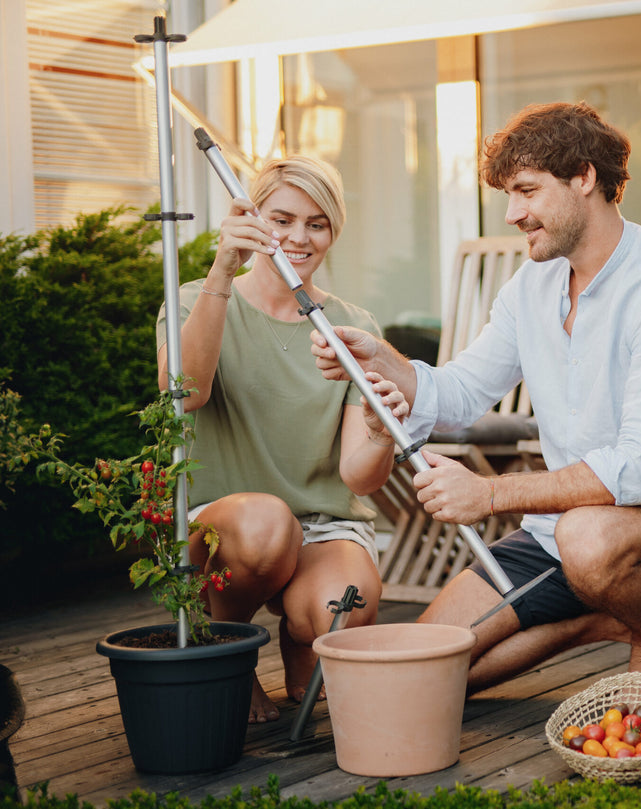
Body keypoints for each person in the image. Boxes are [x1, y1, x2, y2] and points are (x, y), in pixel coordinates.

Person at [311, 101, 641, 693]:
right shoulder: (532, 285)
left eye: (527, 191)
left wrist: (488, 493)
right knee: (416, 679)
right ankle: (596, 621)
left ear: (585, 178)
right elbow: (459, 393)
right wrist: (382, 359)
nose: (513, 214)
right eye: (510, 195)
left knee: (588, 535)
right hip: (555, 532)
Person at [155, 155, 407, 722]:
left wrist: (379, 432)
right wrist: (223, 269)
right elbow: (185, 395)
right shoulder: (196, 297)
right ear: (252, 219)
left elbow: (357, 476)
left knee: (346, 609)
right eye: (283, 219)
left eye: (317, 223)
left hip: (321, 526)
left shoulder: (351, 326)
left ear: (332, 232)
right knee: (269, 525)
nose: (299, 237)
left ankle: (300, 639)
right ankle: (227, 649)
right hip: (232, 526)